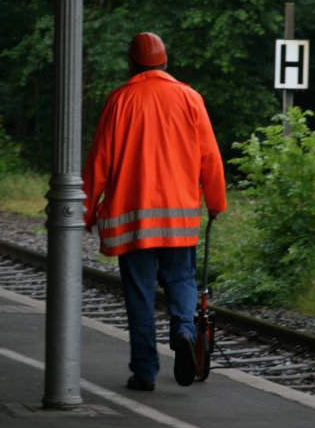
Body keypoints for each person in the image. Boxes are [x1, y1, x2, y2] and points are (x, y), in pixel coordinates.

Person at [82, 32, 227, 391]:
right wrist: (216, 202)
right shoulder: (190, 98)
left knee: (140, 294)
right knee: (181, 280)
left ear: (131, 64)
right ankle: (182, 329)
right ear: (164, 63)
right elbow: (210, 155)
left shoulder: (119, 101)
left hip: (133, 221)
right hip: (178, 218)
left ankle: (145, 371)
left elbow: (99, 162)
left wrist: (84, 211)